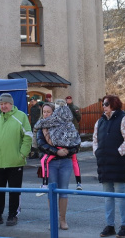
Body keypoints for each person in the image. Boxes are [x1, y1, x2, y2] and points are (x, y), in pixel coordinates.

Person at [0, 93, 33, 227]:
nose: (3, 106)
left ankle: (13, 215)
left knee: (14, 191)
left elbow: (28, 136)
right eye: (1, 104)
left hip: (15, 162)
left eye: (5, 103)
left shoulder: (21, 116)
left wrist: (22, 154)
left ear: (11, 104)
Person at [35, 99, 81, 230]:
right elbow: (41, 145)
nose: (46, 114)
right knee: (52, 192)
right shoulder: (42, 127)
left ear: (54, 112)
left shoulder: (66, 125)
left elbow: (76, 142)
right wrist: (56, 152)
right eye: (44, 112)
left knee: (64, 191)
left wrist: (67, 151)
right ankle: (53, 219)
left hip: (66, 162)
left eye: (49, 112)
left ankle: (63, 219)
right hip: (51, 163)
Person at [95, 95, 125, 238]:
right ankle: (109, 225)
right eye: (103, 104)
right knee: (107, 197)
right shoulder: (99, 121)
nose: (103, 106)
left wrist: (117, 153)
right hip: (104, 164)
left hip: (119, 163)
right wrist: (98, 152)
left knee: (121, 196)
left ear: (113, 104)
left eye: (106, 104)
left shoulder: (124, 119)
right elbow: (95, 140)